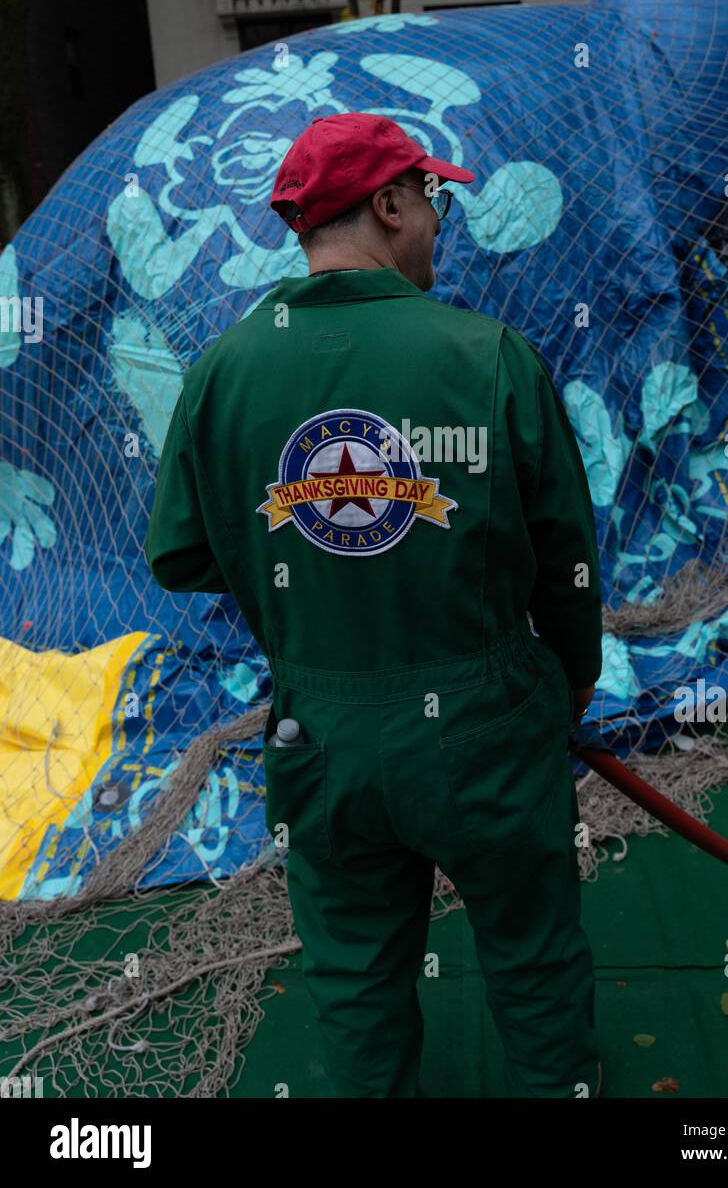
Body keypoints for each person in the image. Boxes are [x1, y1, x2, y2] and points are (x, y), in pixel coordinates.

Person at [145, 111, 604, 1098]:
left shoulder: (222, 370)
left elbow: (182, 556)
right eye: (430, 200)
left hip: (320, 728)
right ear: (390, 205)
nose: (439, 222)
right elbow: (564, 558)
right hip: (485, 724)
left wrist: (311, 591)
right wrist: (572, 675)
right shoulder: (488, 354)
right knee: (530, 954)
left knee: (352, 972)